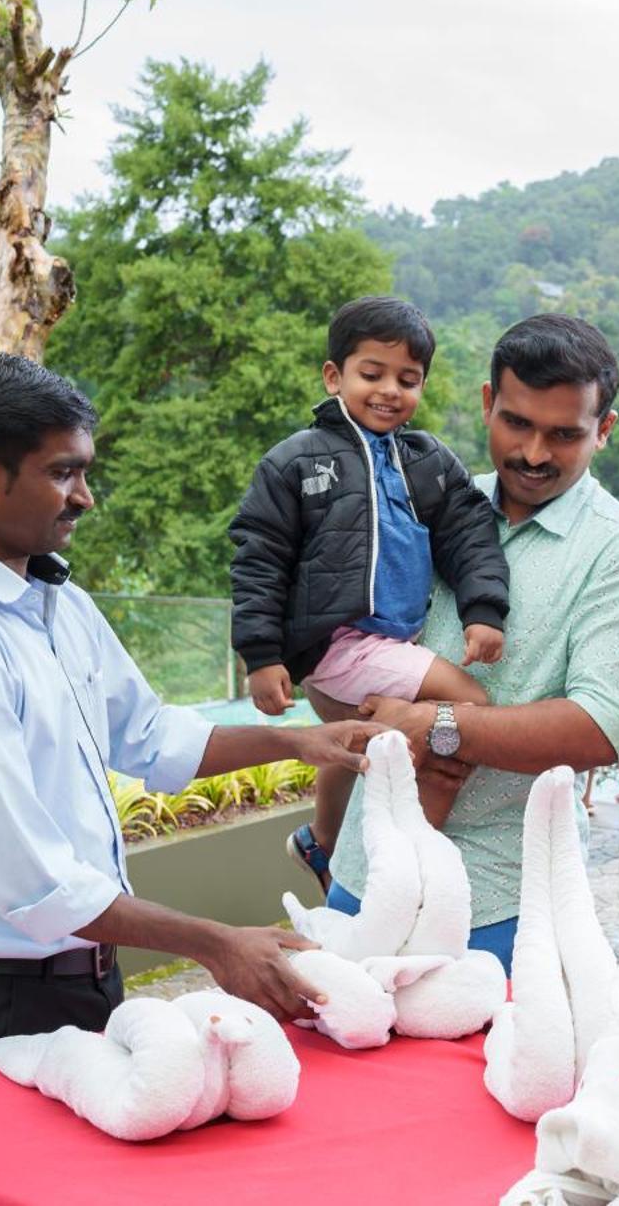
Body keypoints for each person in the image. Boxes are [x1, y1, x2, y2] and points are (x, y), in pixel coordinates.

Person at [0, 354, 379, 1090]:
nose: (86, 497)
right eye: (63, 473)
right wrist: (216, 942)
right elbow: (38, 887)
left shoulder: (55, 601)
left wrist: (301, 741)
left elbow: (149, 736)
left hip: (87, 983)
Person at [305, 313, 619, 974]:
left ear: (605, 430)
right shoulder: (417, 502)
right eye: (517, 424)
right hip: (363, 875)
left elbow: (599, 727)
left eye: (565, 434)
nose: (534, 452)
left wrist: (434, 726)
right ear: (486, 403)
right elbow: (339, 654)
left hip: (502, 909)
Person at [228, 296, 510, 887]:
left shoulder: (427, 461)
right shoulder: (296, 461)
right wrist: (261, 655)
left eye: (407, 379)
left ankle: (322, 844)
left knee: (354, 746)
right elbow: (260, 558)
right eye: (371, 374)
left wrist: (483, 609)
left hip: (392, 638)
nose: (389, 391)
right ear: (335, 377)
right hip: (338, 641)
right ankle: (411, 865)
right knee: (471, 707)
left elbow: (470, 532)